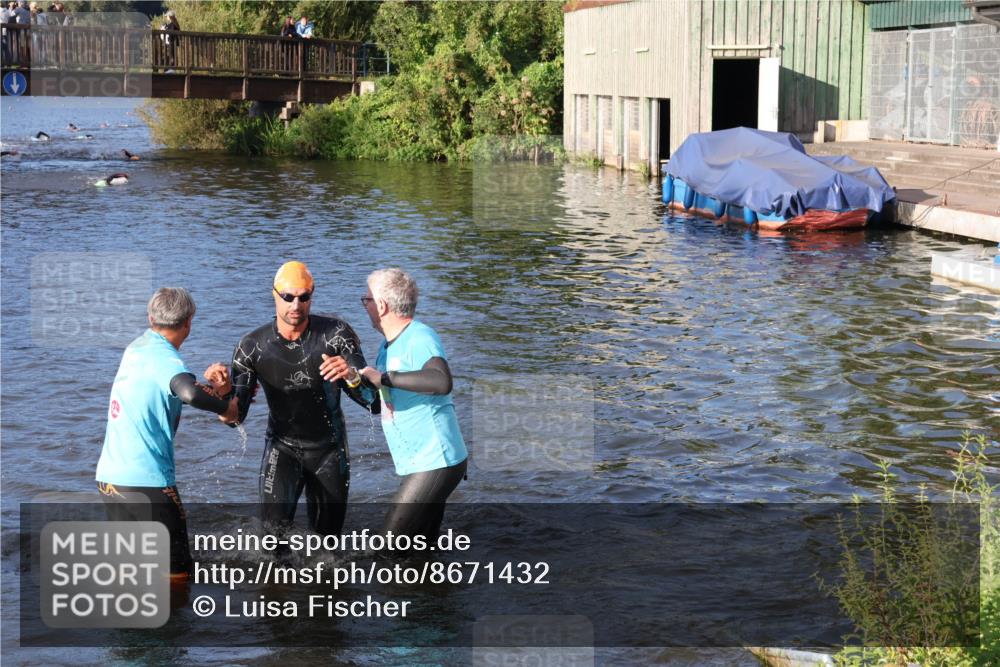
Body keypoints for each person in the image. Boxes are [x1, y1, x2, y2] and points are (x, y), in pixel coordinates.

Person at [225, 261, 378, 537]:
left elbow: (372, 402)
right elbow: (235, 418)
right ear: (274, 295)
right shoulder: (251, 347)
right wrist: (222, 395)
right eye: (288, 297)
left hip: (329, 451)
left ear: (312, 295)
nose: (296, 305)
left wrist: (351, 375)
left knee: (327, 549)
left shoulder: (336, 335)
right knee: (271, 543)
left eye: (304, 297)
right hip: (282, 449)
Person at [96, 288, 238, 578]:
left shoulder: (137, 348)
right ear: (188, 323)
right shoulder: (168, 362)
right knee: (177, 573)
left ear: (151, 318)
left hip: (110, 480)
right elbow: (187, 391)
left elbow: (173, 384)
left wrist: (214, 388)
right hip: (147, 485)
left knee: (133, 570)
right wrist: (227, 406)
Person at [358, 269, 468, 540]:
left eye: (367, 299)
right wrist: (352, 381)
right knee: (420, 550)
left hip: (436, 461)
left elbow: (441, 381)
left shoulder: (419, 337)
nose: (365, 306)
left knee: (387, 549)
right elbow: (380, 404)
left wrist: (383, 377)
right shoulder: (387, 347)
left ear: (382, 305)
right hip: (423, 461)